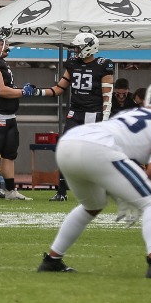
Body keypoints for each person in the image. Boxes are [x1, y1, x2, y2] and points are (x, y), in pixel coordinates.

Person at [38, 79, 151, 279]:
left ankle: (52, 260)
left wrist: (127, 191)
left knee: (92, 205)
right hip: (99, 148)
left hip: (69, 142)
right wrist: (131, 194)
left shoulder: (130, 112)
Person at [45, 32, 115, 201]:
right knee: (65, 149)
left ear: (89, 47)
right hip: (75, 113)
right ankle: (62, 191)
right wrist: (37, 92)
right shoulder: (72, 64)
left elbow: (108, 94)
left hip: (93, 113)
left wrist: (105, 116)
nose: (75, 51)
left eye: (78, 47)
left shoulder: (103, 65)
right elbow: (59, 88)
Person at [0, 25, 37, 200]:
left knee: (9, 154)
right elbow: (1, 90)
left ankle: (10, 190)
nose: (4, 44)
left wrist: (18, 91)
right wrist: (23, 92)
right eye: (0, 41)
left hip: (7, 114)